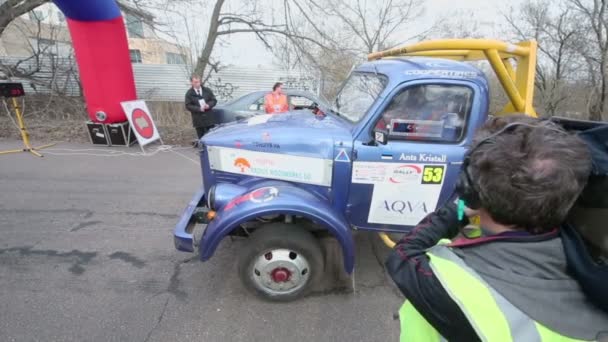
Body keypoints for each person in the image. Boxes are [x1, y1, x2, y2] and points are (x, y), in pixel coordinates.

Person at [385, 114, 608, 341]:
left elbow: (402, 255)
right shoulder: (592, 264)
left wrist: (458, 209)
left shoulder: (448, 282)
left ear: (469, 191)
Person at [185, 74, 217, 139]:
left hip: (209, 119)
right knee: (201, 138)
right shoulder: (189, 93)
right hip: (198, 120)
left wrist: (208, 105)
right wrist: (199, 109)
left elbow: (214, 100)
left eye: (198, 82)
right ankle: (203, 148)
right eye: (195, 82)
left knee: (211, 137)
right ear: (191, 82)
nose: (197, 84)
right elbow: (188, 105)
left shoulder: (207, 90)